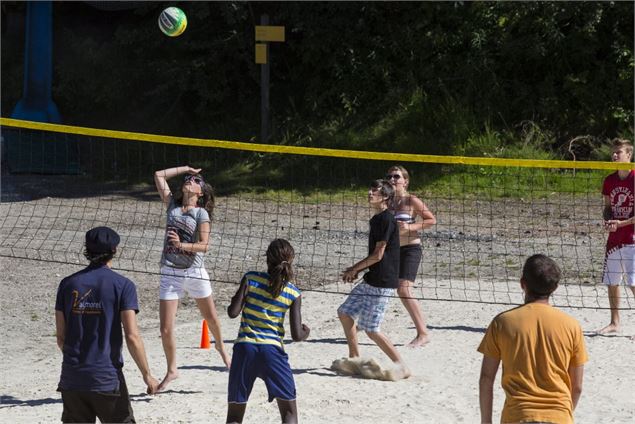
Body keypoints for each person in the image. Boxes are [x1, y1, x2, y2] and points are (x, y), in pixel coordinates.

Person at [55, 226, 159, 423]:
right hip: (105, 378)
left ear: (87, 249)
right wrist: (147, 375)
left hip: (72, 378)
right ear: (114, 250)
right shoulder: (123, 285)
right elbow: (132, 336)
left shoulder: (67, 284)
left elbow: (61, 338)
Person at [478, 254, 587, 424]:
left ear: (523, 284)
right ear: (555, 287)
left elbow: (486, 379)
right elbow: (577, 387)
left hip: (518, 416)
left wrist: (486, 421)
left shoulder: (502, 322)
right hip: (559, 417)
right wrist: (564, 414)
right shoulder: (572, 326)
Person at [154, 165, 231, 391]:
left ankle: (223, 352)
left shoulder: (201, 213)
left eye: (196, 180)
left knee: (212, 319)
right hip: (170, 271)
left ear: (201, 192)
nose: (190, 180)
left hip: (195, 272)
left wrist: (181, 245)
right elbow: (159, 175)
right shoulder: (172, 205)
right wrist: (186, 168)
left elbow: (205, 246)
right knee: (165, 329)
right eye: (188, 179)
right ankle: (172, 370)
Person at [226, 239, 310, 424]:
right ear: (291, 261)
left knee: (234, 416)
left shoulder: (251, 279)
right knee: (289, 414)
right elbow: (297, 336)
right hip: (272, 352)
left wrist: (236, 298)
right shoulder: (293, 292)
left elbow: (232, 313)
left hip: (244, 349)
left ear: (267, 259)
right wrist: (306, 332)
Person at [338, 179, 409, 377]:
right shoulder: (376, 219)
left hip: (383, 281)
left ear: (385, 197)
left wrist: (354, 269)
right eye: (370, 189)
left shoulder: (387, 219)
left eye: (375, 191)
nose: (370, 193)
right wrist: (359, 271)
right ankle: (354, 359)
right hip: (372, 278)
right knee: (345, 313)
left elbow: (378, 255)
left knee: (371, 329)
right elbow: (377, 257)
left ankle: (402, 366)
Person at [385, 165, 436, 347]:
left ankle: (423, 333)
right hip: (392, 250)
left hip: (410, 250)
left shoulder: (411, 200)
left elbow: (431, 220)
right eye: (390, 176)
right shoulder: (387, 201)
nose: (392, 179)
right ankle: (364, 324)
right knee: (379, 285)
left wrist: (410, 227)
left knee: (404, 290)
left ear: (405, 181)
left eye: (396, 176)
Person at [597, 138, 635, 335]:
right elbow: (607, 208)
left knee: (633, 283)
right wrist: (609, 220)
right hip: (614, 239)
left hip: (632, 239)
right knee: (612, 282)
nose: (614, 155)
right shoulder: (609, 180)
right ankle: (614, 323)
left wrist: (622, 223)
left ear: (628, 155)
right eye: (613, 152)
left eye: (618, 152)